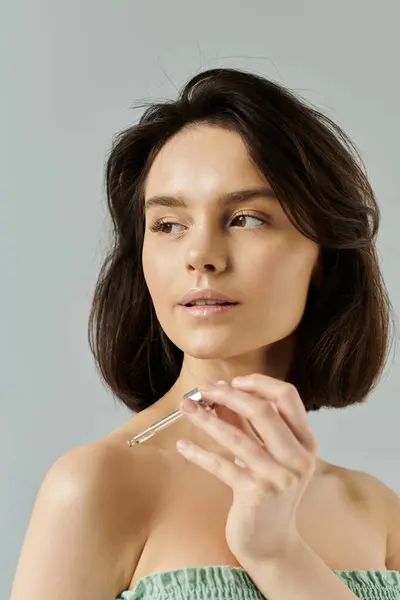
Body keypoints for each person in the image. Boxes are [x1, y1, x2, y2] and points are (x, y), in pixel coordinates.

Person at [10, 68, 400, 600]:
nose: (200, 257)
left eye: (246, 218)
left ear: (325, 256)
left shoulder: (378, 511)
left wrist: (277, 554)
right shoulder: (98, 486)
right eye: (168, 225)